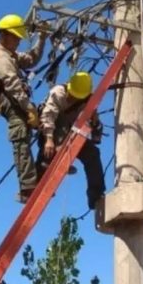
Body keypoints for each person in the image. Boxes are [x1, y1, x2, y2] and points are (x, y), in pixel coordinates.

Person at [0, 14, 47, 203]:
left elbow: (32, 59)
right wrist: (29, 109)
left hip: (19, 101)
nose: (19, 41)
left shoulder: (11, 55)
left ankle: (43, 167)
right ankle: (27, 188)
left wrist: (42, 38)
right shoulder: (0, 58)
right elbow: (13, 85)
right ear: (4, 35)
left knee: (45, 122)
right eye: (16, 37)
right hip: (11, 103)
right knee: (21, 137)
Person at [37, 72, 106, 209]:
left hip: (71, 133)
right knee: (61, 125)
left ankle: (96, 196)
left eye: (77, 97)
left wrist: (95, 123)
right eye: (73, 95)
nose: (73, 98)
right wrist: (49, 139)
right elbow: (48, 116)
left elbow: (96, 131)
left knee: (92, 154)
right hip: (51, 129)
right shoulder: (59, 92)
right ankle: (46, 167)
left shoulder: (88, 101)